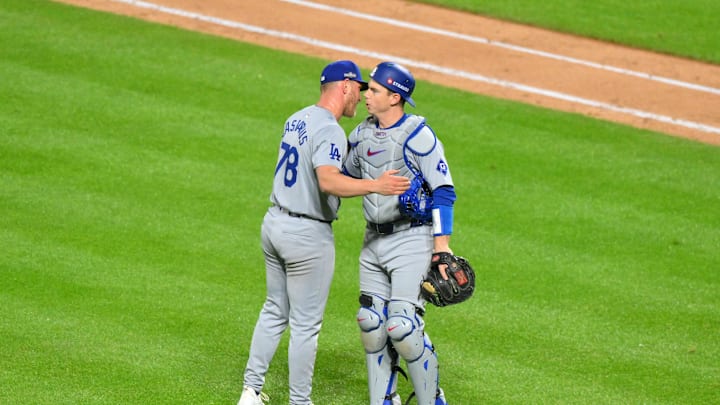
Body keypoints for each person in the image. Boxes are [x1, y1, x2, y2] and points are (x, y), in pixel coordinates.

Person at [237, 60, 411, 405]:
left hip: (274, 223)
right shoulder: (330, 130)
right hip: (306, 235)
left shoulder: (296, 117)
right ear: (344, 86)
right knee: (305, 325)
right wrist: (375, 184)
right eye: (358, 89)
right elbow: (328, 180)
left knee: (274, 310)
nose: (360, 97)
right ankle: (300, 402)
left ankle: (250, 391)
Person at [343, 62, 456, 405]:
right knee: (371, 323)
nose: (367, 95)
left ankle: (432, 398)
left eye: (374, 90)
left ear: (395, 97)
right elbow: (342, 179)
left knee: (402, 328)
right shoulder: (361, 135)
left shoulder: (418, 135)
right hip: (372, 240)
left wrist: (442, 247)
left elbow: (444, 191)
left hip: (411, 240)